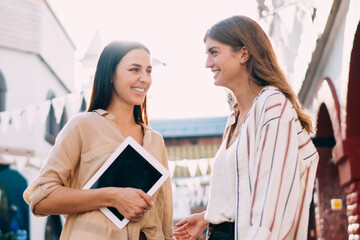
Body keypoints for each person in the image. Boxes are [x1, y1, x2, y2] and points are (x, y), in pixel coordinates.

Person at [173, 15, 319, 240]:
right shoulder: (235, 115)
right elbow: (241, 191)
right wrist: (208, 216)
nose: (207, 64)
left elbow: (272, 197)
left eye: (214, 52)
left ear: (243, 53)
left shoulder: (272, 106)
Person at [23, 41, 174, 240]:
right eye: (134, 69)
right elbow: (41, 199)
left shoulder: (155, 141)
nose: (144, 78)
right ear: (111, 74)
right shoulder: (83, 126)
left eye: (148, 71)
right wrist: (112, 196)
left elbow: (164, 219)